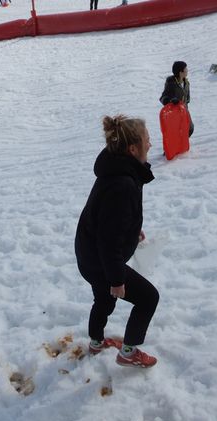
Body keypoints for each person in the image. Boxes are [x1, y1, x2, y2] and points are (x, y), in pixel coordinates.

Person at [75, 115, 159, 368]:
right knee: (147, 298)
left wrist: (132, 230)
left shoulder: (118, 169)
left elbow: (110, 220)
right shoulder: (123, 183)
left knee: (104, 299)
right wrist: (117, 280)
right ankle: (129, 352)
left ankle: (96, 342)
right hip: (101, 260)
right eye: (147, 140)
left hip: (89, 255)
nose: (151, 145)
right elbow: (109, 240)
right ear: (132, 149)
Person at [159, 61, 194, 137]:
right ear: (180, 72)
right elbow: (162, 98)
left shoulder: (186, 83)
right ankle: (178, 146)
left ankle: (182, 144)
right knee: (178, 132)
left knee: (190, 129)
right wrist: (170, 101)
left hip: (184, 110)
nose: (187, 70)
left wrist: (186, 103)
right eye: (185, 69)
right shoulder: (171, 84)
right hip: (174, 113)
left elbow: (187, 97)